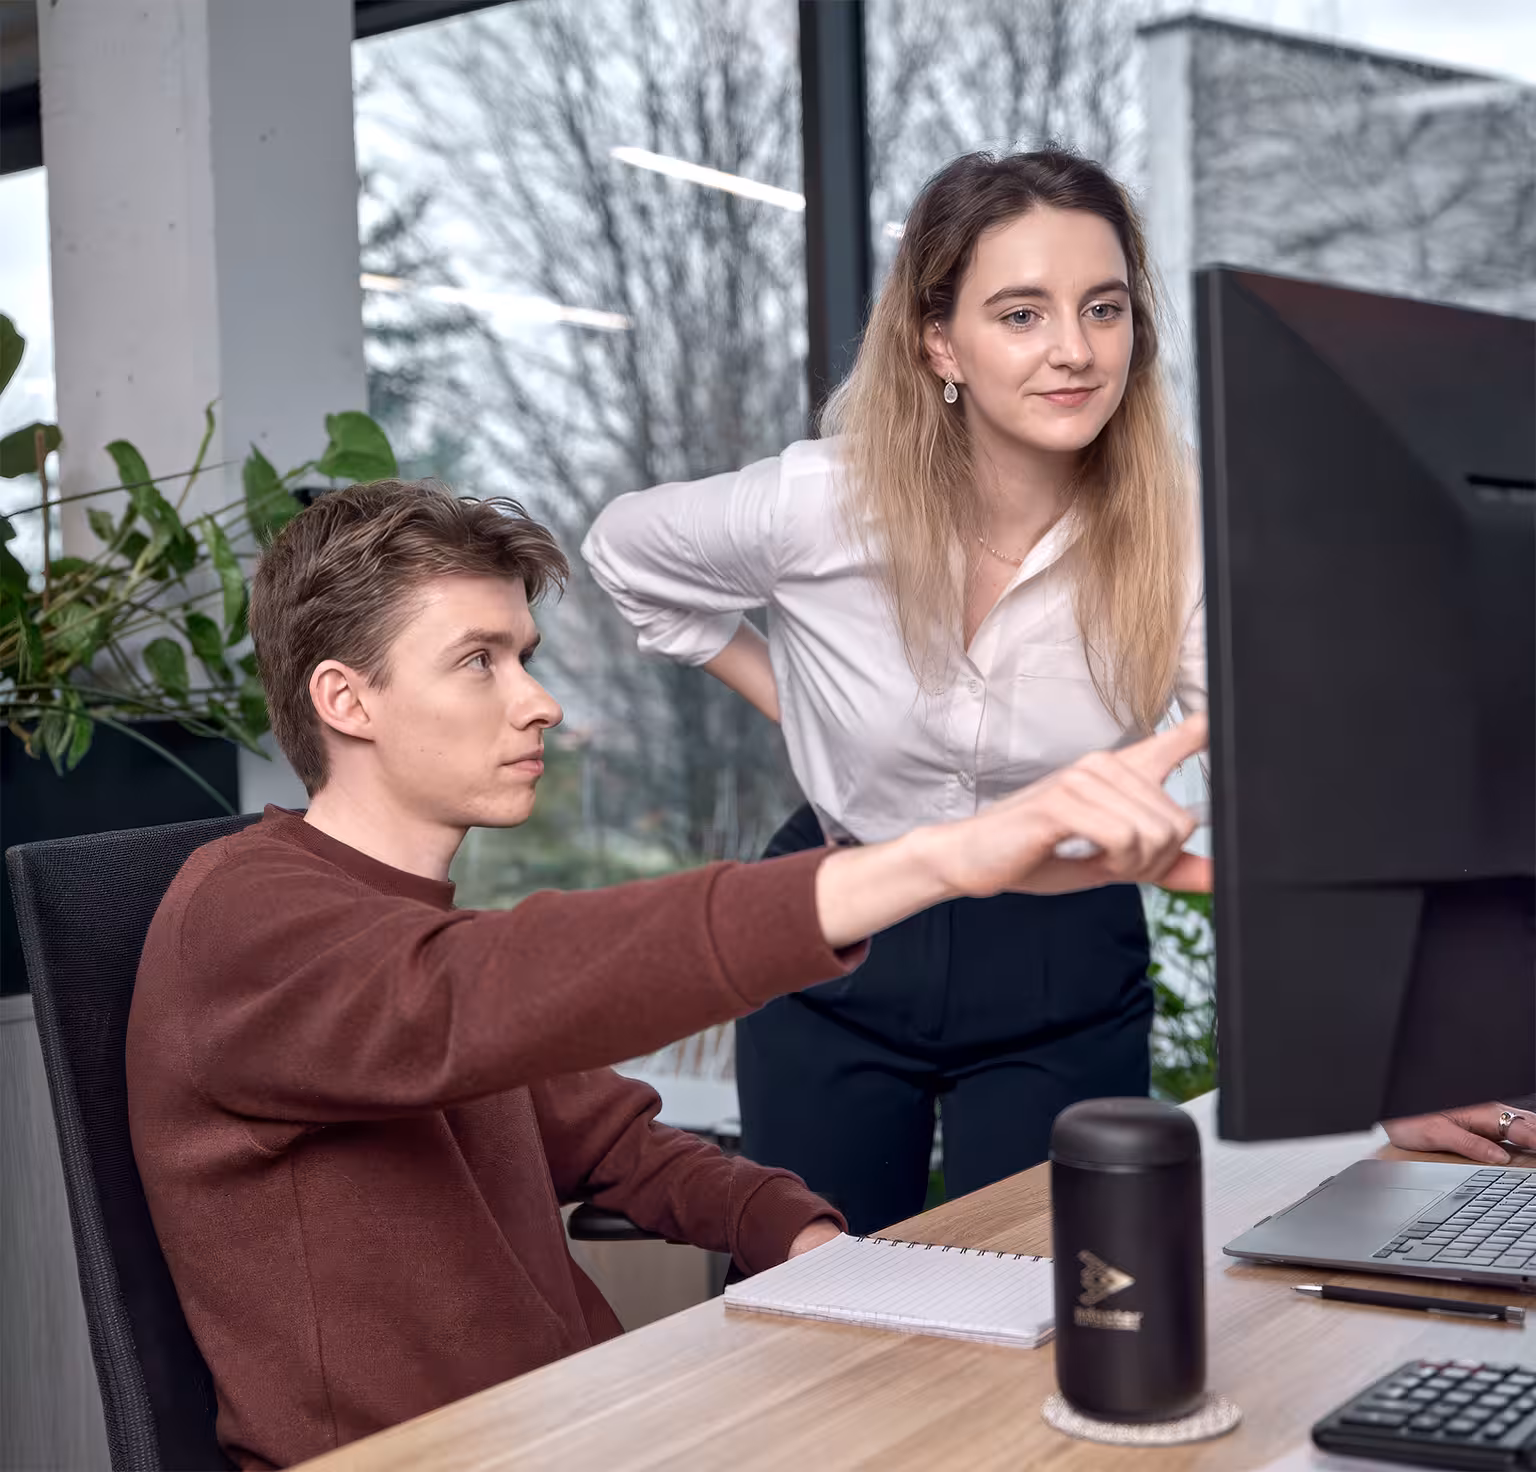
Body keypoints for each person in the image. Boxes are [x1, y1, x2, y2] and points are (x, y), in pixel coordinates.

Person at [127, 479, 1207, 1470]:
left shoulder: (404, 929)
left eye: (527, 654)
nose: (538, 700)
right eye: (480, 661)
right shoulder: (245, 918)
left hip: (584, 1422)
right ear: (345, 700)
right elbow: (481, 992)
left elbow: (606, 1137)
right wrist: (932, 857)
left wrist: (804, 1234)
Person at [582, 148, 1206, 1234]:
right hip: (838, 916)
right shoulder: (824, 505)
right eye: (1021, 314)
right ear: (938, 341)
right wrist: (797, 699)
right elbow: (623, 552)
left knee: (1056, 1297)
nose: (1074, 350)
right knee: (812, 1302)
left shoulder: (1181, 523)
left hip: (1060, 947)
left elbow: (1274, 745)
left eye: (1103, 308)